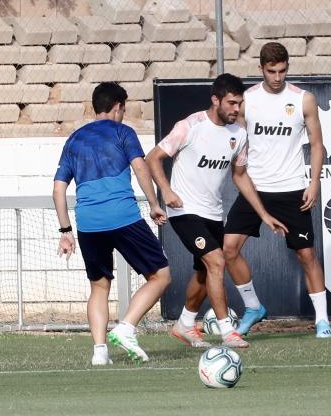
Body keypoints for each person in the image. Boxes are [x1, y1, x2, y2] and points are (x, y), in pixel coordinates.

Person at [146, 73, 287, 349]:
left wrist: (264, 214)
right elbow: (153, 158)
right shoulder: (190, 126)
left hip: (213, 213)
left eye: (239, 103)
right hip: (184, 211)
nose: (237, 109)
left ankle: (185, 325)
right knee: (217, 261)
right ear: (215, 100)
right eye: (232, 103)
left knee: (203, 272)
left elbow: (241, 176)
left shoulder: (240, 134)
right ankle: (227, 331)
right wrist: (167, 191)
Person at [53, 82, 171, 365]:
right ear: (117, 107)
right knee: (161, 276)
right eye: (124, 109)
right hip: (123, 217)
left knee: (99, 286)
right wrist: (154, 204)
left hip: (88, 224)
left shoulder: (74, 140)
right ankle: (127, 327)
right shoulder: (123, 132)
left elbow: (58, 189)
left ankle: (99, 353)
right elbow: (140, 167)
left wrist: (66, 232)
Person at [222, 42, 331, 338]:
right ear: (261, 69)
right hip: (255, 187)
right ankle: (253, 307)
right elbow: (237, 140)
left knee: (307, 255)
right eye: (271, 71)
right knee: (229, 249)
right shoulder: (246, 100)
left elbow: (317, 143)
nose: (277, 77)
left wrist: (314, 181)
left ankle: (322, 320)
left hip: (291, 188)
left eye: (282, 70)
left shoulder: (303, 100)